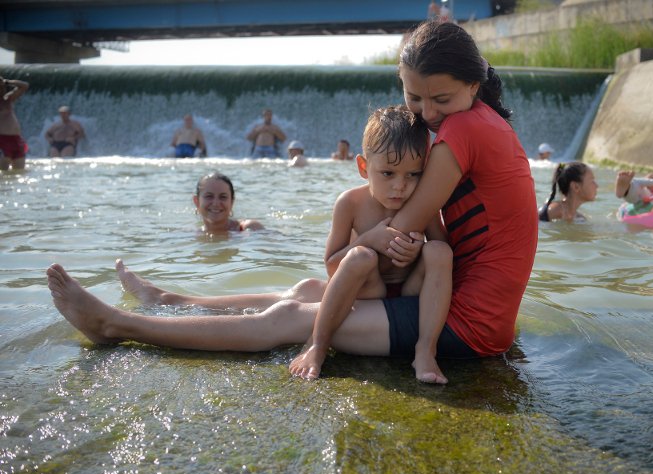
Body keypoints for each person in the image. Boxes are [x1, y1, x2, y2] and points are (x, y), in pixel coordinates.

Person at [46, 20, 536, 380]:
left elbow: (403, 225)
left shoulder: (463, 129)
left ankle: (117, 325)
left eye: (440, 100)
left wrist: (356, 251)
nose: (426, 113)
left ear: (473, 85)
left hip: (466, 324)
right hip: (458, 303)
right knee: (304, 290)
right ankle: (170, 300)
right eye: (414, 98)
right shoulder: (480, 120)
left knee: (287, 319)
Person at [290, 106, 451, 383]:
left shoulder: (422, 202)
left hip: (409, 290)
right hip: (370, 289)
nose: (400, 186)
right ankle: (317, 345)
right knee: (360, 256)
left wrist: (418, 250)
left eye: (413, 174)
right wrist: (368, 240)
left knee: (439, 251)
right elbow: (332, 267)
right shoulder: (350, 203)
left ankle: (426, 350)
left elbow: (443, 257)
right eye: (388, 173)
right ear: (364, 167)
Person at [194, 171, 264, 234]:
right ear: (197, 201)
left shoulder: (249, 228)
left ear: (232, 202)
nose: (216, 203)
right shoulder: (194, 235)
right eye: (209, 196)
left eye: (223, 197)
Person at [0, 76, 30, 171]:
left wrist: (7, 82)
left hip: (16, 140)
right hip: (2, 140)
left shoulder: (8, 99)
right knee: (3, 172)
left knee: (19, 172)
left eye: (2, 87)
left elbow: (25, 86)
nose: (2, 89)